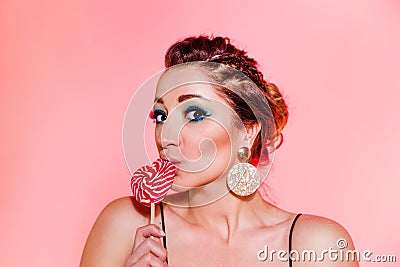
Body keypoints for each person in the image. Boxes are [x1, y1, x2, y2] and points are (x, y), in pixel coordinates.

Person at [80, 35, 359, 266]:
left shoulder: (317, 246)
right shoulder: (128, 225)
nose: (166, 136)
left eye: (195, 114)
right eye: (161, 116)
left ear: (248, 131)